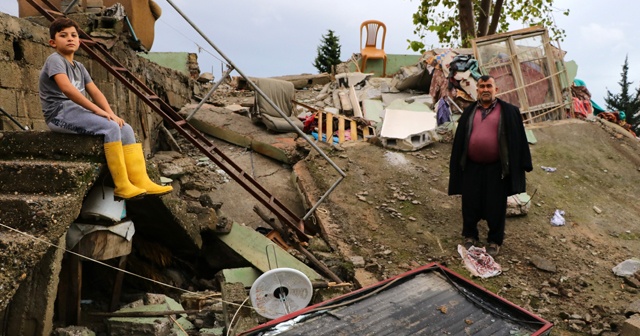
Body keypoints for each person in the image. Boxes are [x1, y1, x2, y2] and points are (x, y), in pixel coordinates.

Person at [39, 17, 172, 200]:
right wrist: (99, 112)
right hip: (59, 114)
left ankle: (141, 180)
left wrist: (110, 113)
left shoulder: (79, 67)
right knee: (109, 127)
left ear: (79, 41)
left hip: (74, 112)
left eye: (74, 35)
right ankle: (122, 185)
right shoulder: (55, 60)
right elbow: (67, 89)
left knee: (125, 128)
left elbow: (96, 93)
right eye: (63, 35)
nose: (70, 38)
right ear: (53, 42)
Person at [448, 75, 532, 257]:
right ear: (477, 90)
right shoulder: (469, 112)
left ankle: (494, 240)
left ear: (496, 90)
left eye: (489, 86)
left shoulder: (508, 111)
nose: (485, 89)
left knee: (496, 204)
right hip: (472, 166)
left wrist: (524, 162)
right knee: (470, 201)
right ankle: (470, 235)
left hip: (497, 168)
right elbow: (460, 140)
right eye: (481, 86)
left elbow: (519, 138)